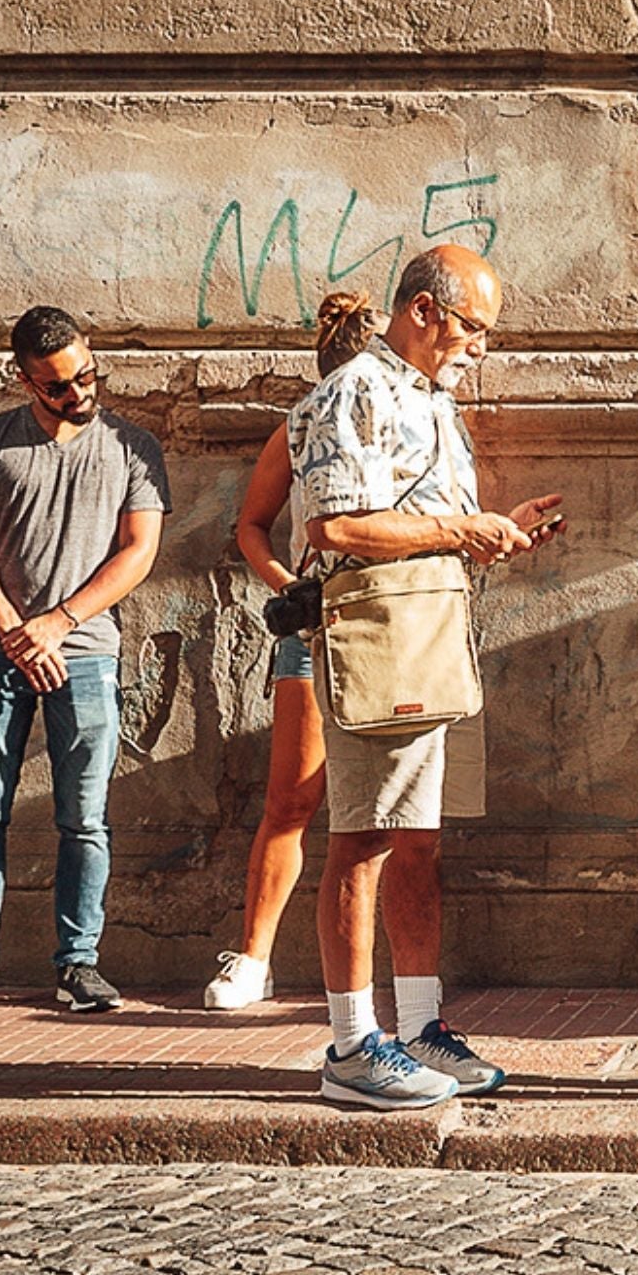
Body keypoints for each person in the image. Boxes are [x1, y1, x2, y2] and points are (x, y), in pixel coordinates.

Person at [289, 243, 563, 1108]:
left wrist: (491, 531)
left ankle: (418, 1027)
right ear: (424, 313)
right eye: (473, 327)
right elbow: (333, 527)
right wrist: (459, 532)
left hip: (433, 629)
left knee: (418, 840)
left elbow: (426, 522)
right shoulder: (356, 392)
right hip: (383, 634)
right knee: (363, 839)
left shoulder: (427, 399)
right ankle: (349, 1047)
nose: (481, 346)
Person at [0, 306, 170, 1014]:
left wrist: (57, 624)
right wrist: (13, 632)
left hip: (86, 655)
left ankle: (79, 965)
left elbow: (138, 552)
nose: (79, 393)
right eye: (58, 385)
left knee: (84, 819)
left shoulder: (132, 446)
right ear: (25, 379)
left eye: (87, 374)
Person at [205, 291, 383, 1010]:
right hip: (315, 629)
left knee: (391, 813)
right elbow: (252, 525)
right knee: (292, 798)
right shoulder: (303, 426)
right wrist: (289, 583)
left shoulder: (418, 421)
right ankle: (254, 958)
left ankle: (382, 972)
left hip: (394, 628)